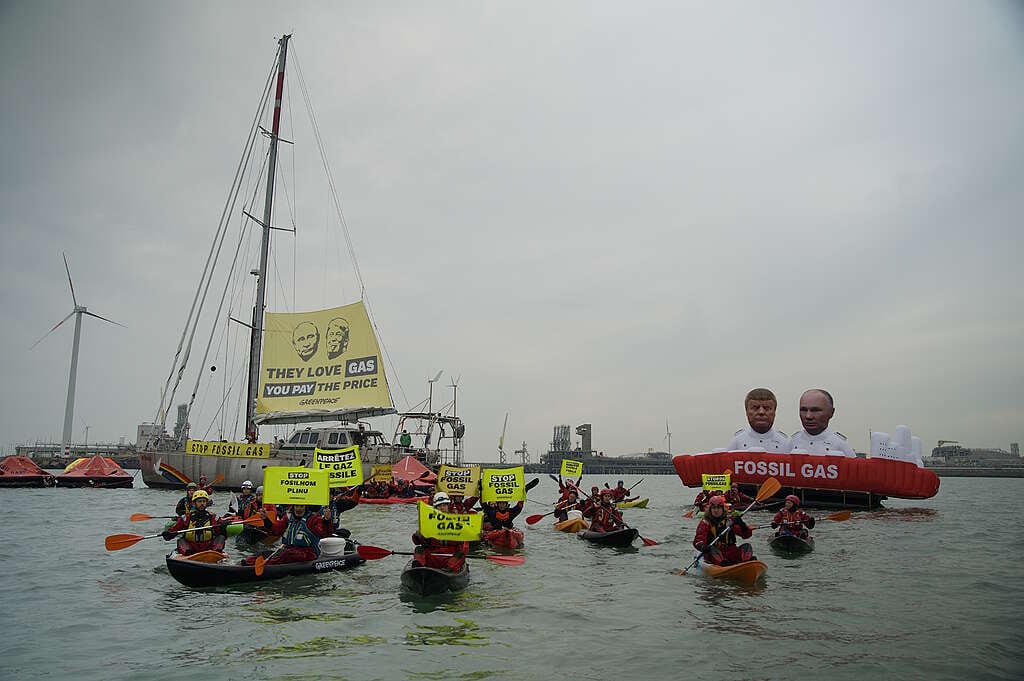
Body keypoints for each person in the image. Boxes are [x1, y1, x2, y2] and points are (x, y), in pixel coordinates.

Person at [252, 504, 334, 564]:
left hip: (308, 552)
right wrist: (266, 520)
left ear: (306, 507)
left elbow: (324, 533)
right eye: (296, 506)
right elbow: (276, 530)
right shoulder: (287, 517)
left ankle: (267, 564)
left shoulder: (313, 519)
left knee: (287, 555)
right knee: (262, 554)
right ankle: (247, 563)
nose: (298, 509)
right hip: (288, 550)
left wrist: (327, 520)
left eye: (301, 506)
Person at [788, 389, 857, 457]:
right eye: (804, 410)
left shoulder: (840, 445)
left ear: (831, 412)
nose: (808, 416)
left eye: (815, 410)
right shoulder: (792, 443)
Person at [412, 492, 469, 572]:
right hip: (432, 555)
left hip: (450, 557)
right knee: (418, 549)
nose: (442, 508)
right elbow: (418, 542)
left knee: (460, 554)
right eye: (439, 506)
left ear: (448, 506)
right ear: (435, 508)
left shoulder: (457, 522)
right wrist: (417, 535)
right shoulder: (429, 522)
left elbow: (464, 547)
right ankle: (419, 567)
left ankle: (449, 569)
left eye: (444, 505)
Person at [692, 495, 755, 566]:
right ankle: (723, 564)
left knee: (747, 546)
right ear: (710, 509)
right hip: (715, 553)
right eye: (713, 508)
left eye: (718, 508)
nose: (716, 510)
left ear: (723, 509)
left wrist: (742, 525)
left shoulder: (730, 521)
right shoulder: (705, 523)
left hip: (731, 551)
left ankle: (746, 562)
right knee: (712, 549)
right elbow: (697, 541)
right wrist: (702, 546)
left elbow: (746, 535)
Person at [162, 490, 227, 556]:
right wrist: (168, 534)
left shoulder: (212, 517)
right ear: (194, 503)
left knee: (221, 537)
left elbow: (220, 532)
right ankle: (187, 555)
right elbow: (175, 529)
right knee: (181, 540)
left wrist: (223, 527)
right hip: (191, 547)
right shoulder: (186, 517)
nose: (202, 503)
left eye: (204, 501)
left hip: (208, 547)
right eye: (199, 501)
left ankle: (216, 553)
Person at [725, 388, 789, 452]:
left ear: (774, 412)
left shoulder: (785, 444)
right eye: (755, 408)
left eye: (767, 408)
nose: (761, 412)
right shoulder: (737, 442)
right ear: (747, 412)